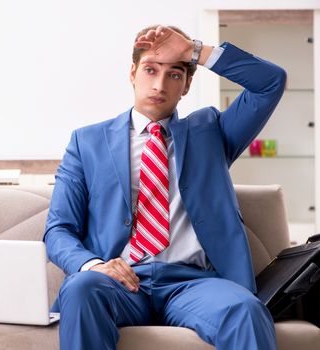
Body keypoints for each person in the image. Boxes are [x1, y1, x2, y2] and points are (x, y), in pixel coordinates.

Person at [43, 24, 287, 350]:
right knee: (81, 288)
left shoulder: (212, 133)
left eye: (174, 74)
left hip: (195, 284)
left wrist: (193, 51)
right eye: (150, 70)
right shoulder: (87, 142)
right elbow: (59, 229)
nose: (159, 85)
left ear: (186, 85)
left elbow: (270, 83)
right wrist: (95, 266)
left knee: (245, 310)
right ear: (132, 73)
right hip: (121, 281)